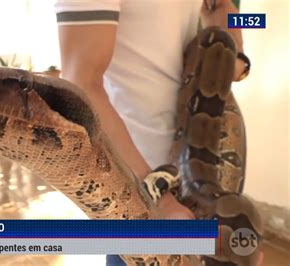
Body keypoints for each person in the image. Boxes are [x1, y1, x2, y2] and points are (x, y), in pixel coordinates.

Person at [54, 0, 256, 265]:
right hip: (137, 177)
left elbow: (229, 10)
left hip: (206, 169)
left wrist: (238, 54)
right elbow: (79, 85)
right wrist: (156, 195)